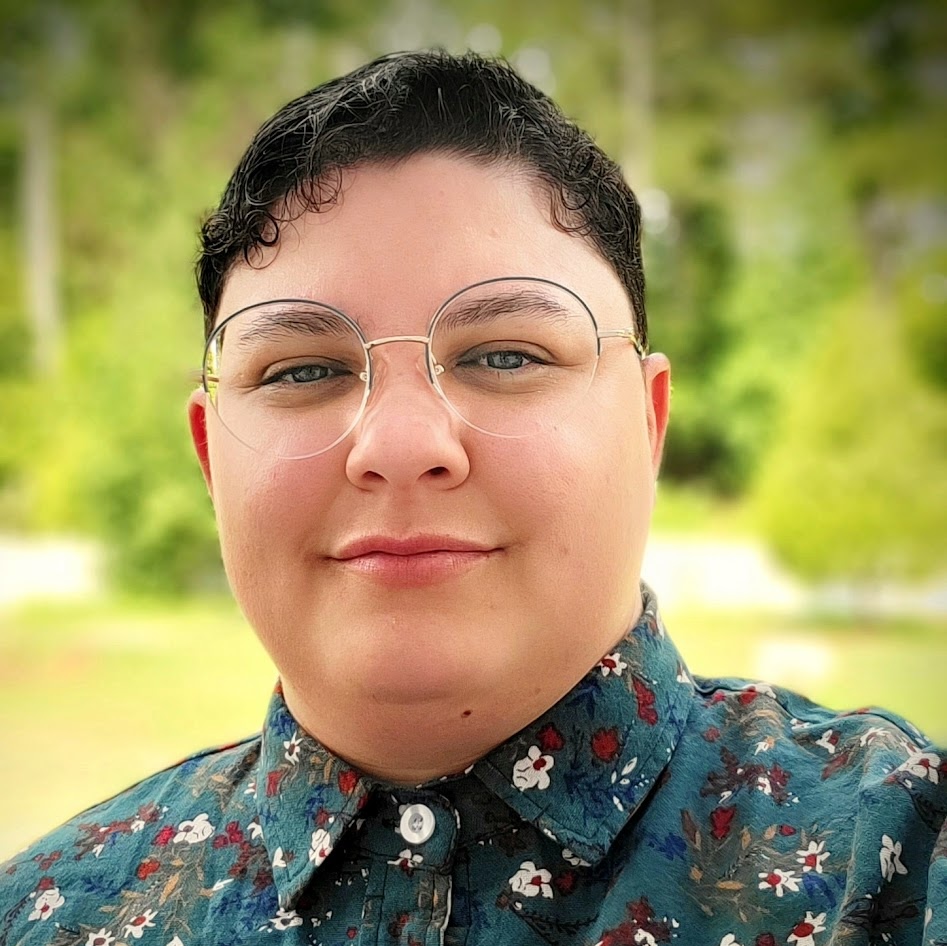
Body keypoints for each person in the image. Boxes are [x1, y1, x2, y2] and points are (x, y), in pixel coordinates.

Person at [1, 49, 944, 946]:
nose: (402, 446)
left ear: (647, 425)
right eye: (301, 370)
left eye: (504, 355)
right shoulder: (49, 912)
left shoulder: (896, 866)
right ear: (212, 459)